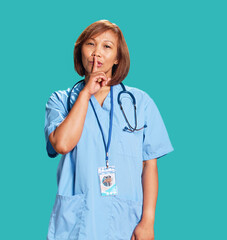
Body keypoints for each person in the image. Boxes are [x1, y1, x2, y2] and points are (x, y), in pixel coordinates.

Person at [44, 19, 173, 240]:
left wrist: (148, 221)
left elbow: (149, 164)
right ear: (80, 52)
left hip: (125, 222)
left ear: (117, 58)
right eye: (91, 44)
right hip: (76, 223)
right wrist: (86, 93)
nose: (97, 53)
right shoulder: (60, 100)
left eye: (107, 46)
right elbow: (62, 144)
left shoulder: (139, 103)